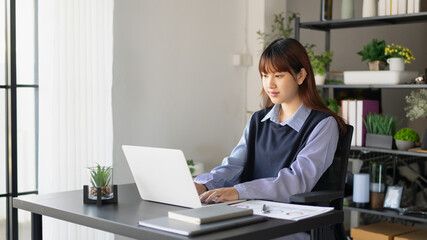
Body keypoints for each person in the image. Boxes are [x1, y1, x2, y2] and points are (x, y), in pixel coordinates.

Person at [194, 38, 347, 205]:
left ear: (301, 76)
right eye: (265, 75)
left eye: (278, 75)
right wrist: (202, 185)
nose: (269, 84)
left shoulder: (323, 124)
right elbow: (233, 165)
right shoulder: (257, 120)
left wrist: (238, 191)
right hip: (252, 211)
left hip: (294, 221)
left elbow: (297, 181)